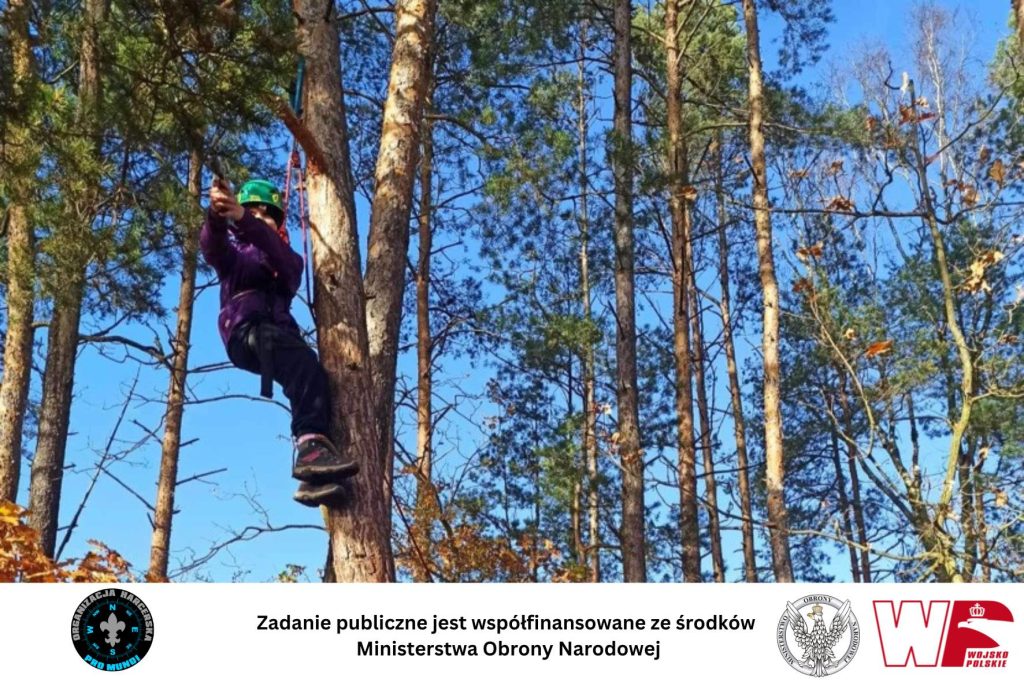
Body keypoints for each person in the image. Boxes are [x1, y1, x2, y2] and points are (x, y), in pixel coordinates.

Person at [201, 176, 357, 506]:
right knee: (302, 363)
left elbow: (284, 261)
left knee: (311, 375)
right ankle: (310, 447)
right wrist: (217, 215)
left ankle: (313, 479)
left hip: (275, 337)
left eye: (266, 215)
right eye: (252, 212)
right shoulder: (235, 257)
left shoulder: (287, 260)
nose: (259, 219)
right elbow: (212, 246)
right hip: (246, 331)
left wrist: (244, 218)